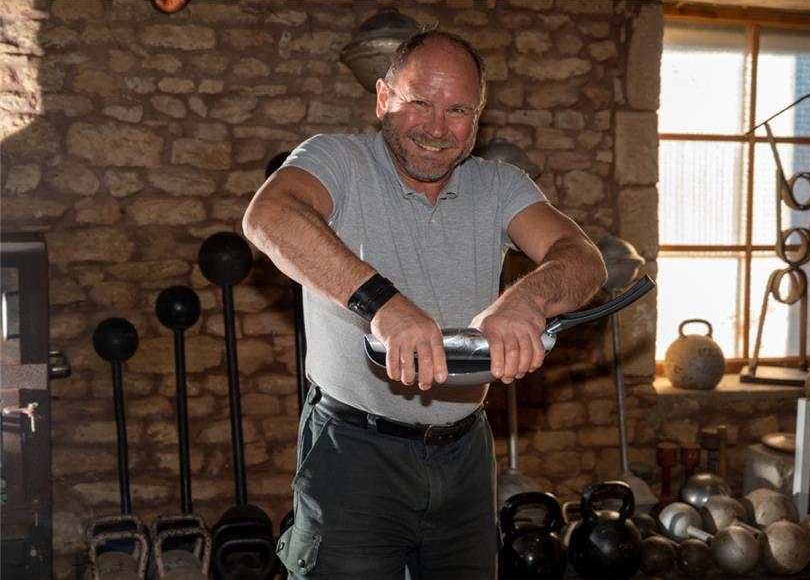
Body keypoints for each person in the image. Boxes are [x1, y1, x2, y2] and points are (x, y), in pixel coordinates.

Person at [243, 30, 606, 580]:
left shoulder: (500, 184)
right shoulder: (337, 158)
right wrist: (383, 305)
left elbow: (582, 257)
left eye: (458, 109)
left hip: (465, 456)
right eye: (420, 102)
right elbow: (268, 217)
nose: (437, 129)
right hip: (353, 454)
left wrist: (526, 300)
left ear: (478, 117)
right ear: (384, 97)